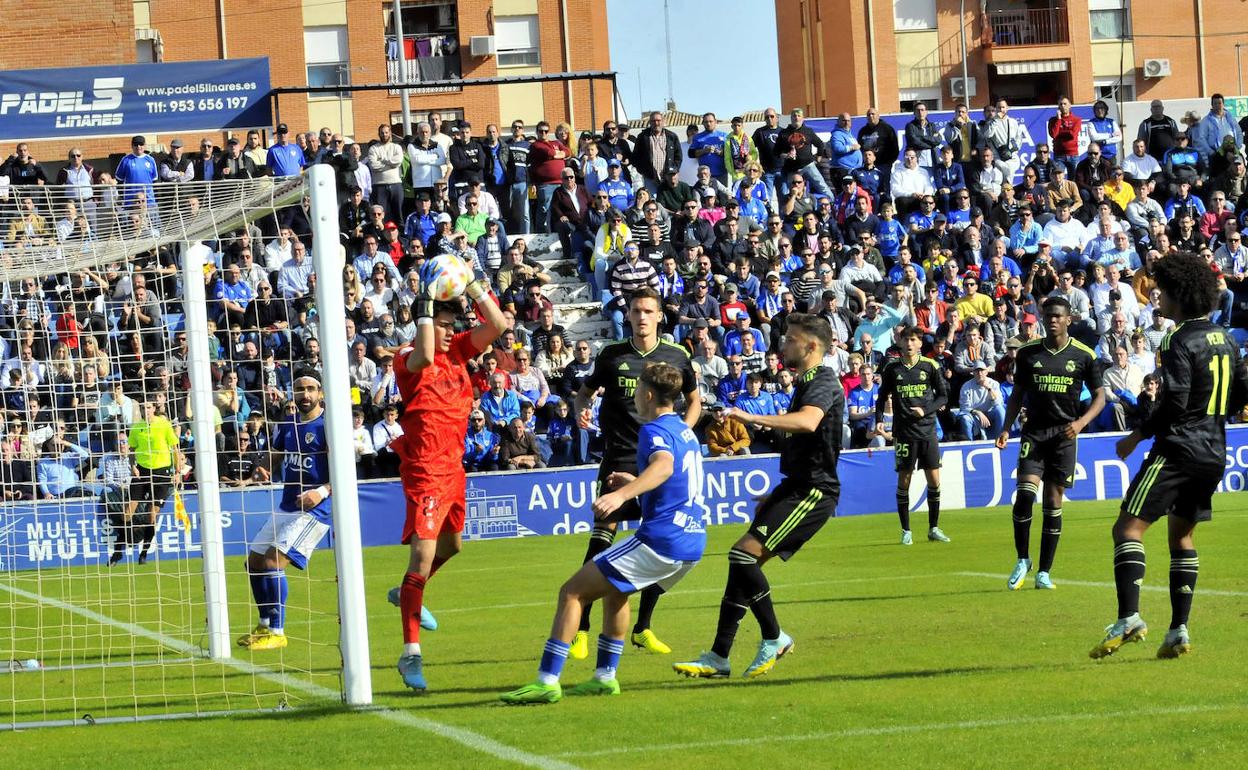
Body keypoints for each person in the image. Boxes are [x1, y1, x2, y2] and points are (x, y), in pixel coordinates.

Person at [500, 362, 706, 704]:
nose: (634, 395)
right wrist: (634, 485)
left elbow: (664, 466)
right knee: (615, 592)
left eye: (637, 389)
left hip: (662, 538)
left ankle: (547, 680)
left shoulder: (652, 430)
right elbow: (676, 478)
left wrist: (621, 495)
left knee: (571, 593)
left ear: (649, 394)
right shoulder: (685, 430)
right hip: (692, 538)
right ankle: (605, 677)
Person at [1090, 251, 1248, 660]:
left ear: (1180, 294)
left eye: (1161, 291)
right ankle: (1178, 629)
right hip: (1214, 451)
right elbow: (1242, 391)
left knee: (1127, 529)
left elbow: (1175, 402)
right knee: (1182, 536)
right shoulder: (1227, 338)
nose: (1155, 297)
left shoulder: (1178, 339)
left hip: (1177, 449)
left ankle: (1129, 618)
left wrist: (1136, 435)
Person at [674, 313, 843, 680]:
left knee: (741, 555)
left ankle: (774, 636)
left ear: (811, 347)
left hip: (814, 492)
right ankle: (719, 656)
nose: (783, 345)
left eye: (790, 339)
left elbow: (807, 422)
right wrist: (777, 494)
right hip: (795, 487)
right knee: (740, 567)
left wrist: (749, 418)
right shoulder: (806, 381)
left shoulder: (823, 379)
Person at [390, 260, 507, 691]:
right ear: (426, 322)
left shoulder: (458, 350)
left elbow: (496, 324)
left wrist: (473, 285)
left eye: (448, 325)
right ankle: (410, 654)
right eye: (440, 324)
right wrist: (424, 300)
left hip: (453, 469)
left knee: (452, 547)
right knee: (420, 560)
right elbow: (421, 351)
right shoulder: (409, 358)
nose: (445, 332)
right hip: (424, 471)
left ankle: (406, 594)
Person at [571, 288, 701, 659]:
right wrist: (582, 410)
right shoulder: (612, 356)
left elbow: (694, 401)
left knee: (660, 542)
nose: (641, 316)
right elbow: (584, 392)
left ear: (659, 316)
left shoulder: (677, 356)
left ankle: (643, 627)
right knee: (601, 540)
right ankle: (580, 626)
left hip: (659, 460)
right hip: (620, 457)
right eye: (635, 310)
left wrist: (684, 433)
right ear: (627, 315)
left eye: (648, 310)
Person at [996, 297, 1106, 591]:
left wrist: (1081, 423)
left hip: (1064, 436)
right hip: (1034, 433)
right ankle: (1022, 559)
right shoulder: (1029, 353)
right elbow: (1017, 394)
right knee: (1024, 495)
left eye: (1058, 316)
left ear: (1069, 319)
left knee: (1053, 503)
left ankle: (1044, 571)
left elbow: (1100, 396)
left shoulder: (1084, 355)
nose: (1052, 320)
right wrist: (1006, 429)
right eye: (1048, 316)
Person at [235, 372, 330, 651]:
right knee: (253, 562)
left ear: (320, 393)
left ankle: (278, 631)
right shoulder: (286, 423)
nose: (305, 395)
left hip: (316, 510)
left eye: (311, 389)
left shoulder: (328, 425)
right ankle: (264, 625)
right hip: (287, 504)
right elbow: (274, 456)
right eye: (300, 389)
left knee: (274, 561)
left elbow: (344, 469)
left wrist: (321, 492)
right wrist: (262, 469)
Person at [875, 326, 950, 546]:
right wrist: (879, 417)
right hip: (904, 432)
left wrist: (925, 410)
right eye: (906, 339)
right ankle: (906, 530)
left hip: (928, 431)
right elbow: (881, 397)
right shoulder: (892, 369)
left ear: (920, 344)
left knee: (934, 480)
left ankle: (933, 528)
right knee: (904, 480)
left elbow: (943, 396)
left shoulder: (930, 366)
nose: (909, 343)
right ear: (900, 342)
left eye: (914, 340)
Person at [110, 401, 184, 566]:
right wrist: (132, 466)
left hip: (161, 473)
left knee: (152, 515)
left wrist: (177, 472)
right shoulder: (137, 427)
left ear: (154, 409)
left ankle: (144, 553)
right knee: (128, 511)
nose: (146, 410)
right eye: (143, 407)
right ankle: (117, 552)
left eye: (149, 407)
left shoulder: (164, 425)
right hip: (142, 472)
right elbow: (131, 450)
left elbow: (174, 448)